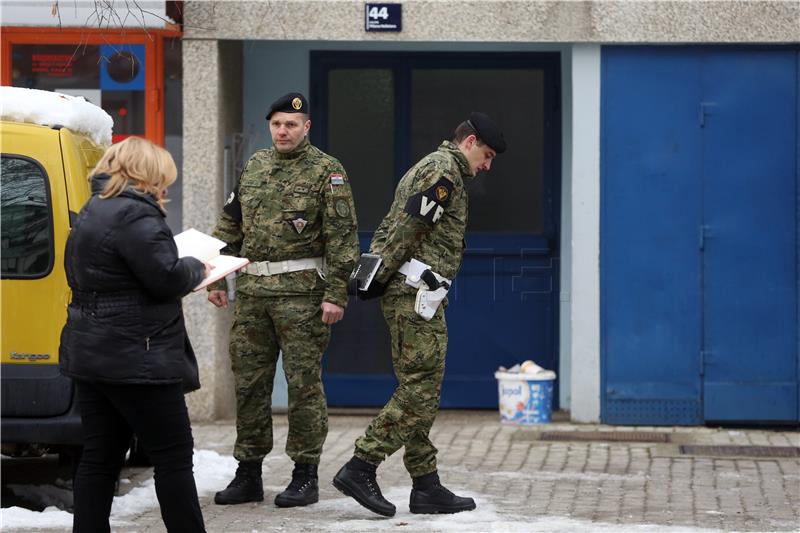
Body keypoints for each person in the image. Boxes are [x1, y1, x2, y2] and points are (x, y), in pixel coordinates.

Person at [333, 112, 506, 517]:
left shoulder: (433, 167)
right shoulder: (444, 173)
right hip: (414, 293)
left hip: (414, 291)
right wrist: (379, 273)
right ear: (470, 141)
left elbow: (393, 223)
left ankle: (425, 484)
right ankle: (362, 465)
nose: (487, 164)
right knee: (421, 388)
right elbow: (406, 228)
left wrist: (375, 271)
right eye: (487, 154)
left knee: (418, 386)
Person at [208, 92, 359, 507]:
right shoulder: (254, 166)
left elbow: (343, 240)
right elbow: (230, 224)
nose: (283, 131)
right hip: (254, 296)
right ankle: (248, 473)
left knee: (303, 387)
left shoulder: (327, 172)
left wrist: (336, 295)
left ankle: (304, 475)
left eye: (291, 124)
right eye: (277, 124)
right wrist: (216, 278)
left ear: (306, 127)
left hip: (303, 299)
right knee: (250, 386)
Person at [59, 136, 208, 533]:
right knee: (173, 458)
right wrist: (197, 265)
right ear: (148, 174)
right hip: (137, 357)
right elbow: (165, 279)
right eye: (163, 177)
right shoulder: (137, 217)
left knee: (100, 457)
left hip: (93, 352)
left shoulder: (96, 208)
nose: (166, 186)